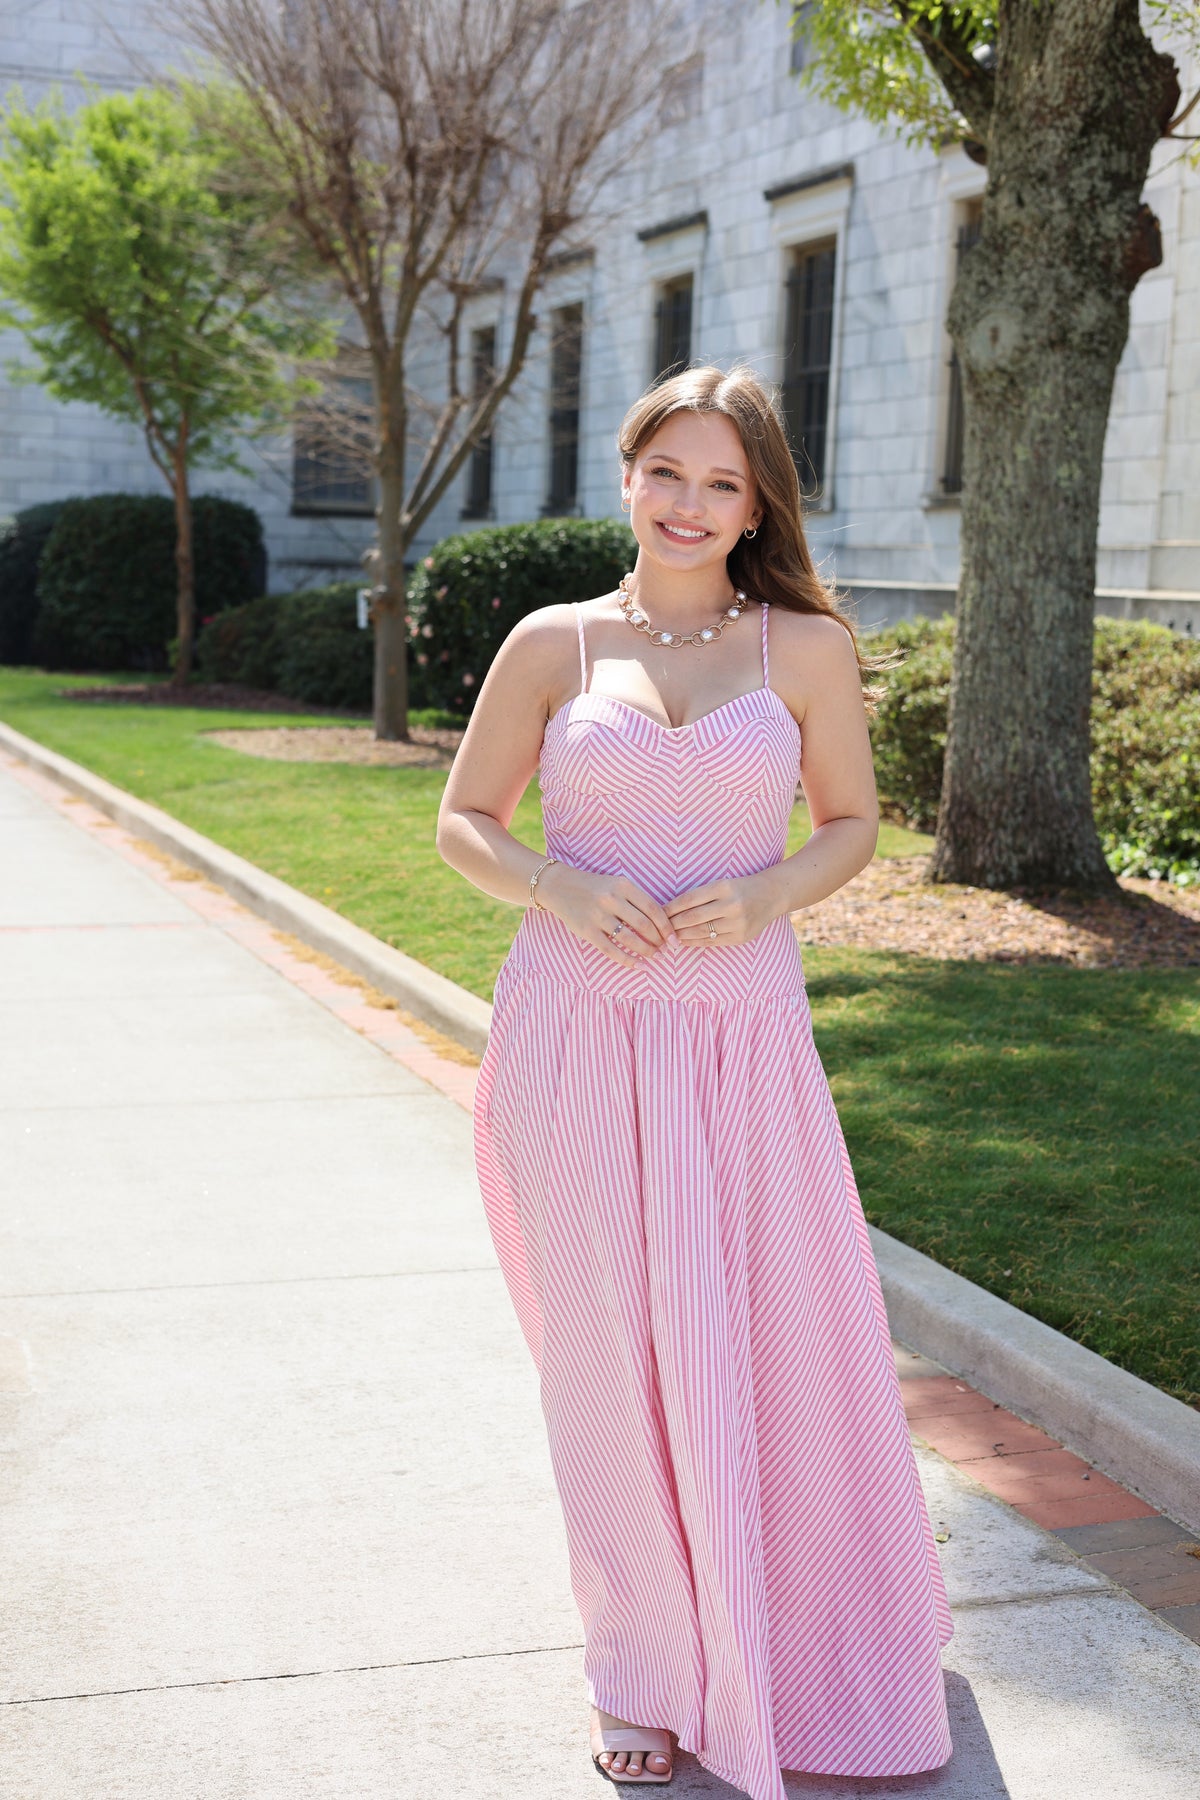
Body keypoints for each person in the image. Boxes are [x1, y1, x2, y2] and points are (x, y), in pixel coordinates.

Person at [436, 365, 953, 1796]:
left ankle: (788, 1632)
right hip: (574, 1040)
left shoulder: (805, 649)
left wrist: (771, 889)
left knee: (768, 1343)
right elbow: (464, 818)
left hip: (739, 1040)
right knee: (605, 1365)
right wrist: (554, 881)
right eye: (668, 471)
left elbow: (852, 823)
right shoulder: (556, 645)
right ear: (627, 472)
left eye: (723, 483)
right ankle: (645, 1669)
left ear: (759, 503)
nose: (690, 505)